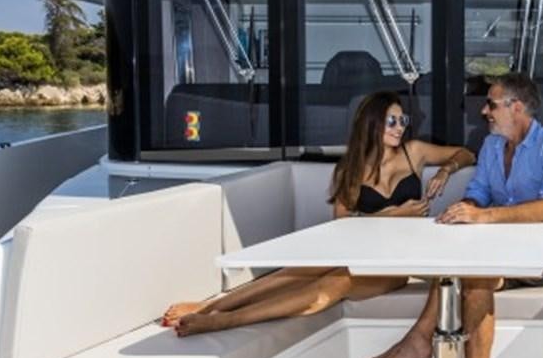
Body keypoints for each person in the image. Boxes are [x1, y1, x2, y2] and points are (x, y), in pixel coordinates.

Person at [363, 72, 543, 358]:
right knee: (462, 267)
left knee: (474, 276)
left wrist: (482, 217)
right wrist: (464, 210)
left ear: (517, 107)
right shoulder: (492, 145)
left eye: (492, 104)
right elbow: (478, 192)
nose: (484, 112)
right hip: (505, 253)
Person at [164, 90, 474, 336]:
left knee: (334, 283)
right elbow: (341, 223)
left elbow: (466, 153)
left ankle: (228, 321)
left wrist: (445, 171)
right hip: (357, 250)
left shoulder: (415, 151)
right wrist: (395, 215)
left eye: (402, 120)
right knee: (295, 271)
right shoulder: (350, 168)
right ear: (372, 123)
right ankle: (210, 307)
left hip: (396, 262)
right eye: (391, 121)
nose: (399, 128)